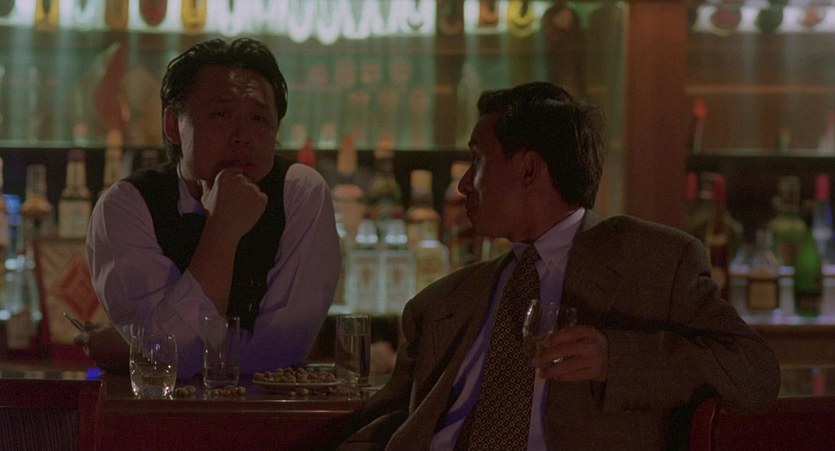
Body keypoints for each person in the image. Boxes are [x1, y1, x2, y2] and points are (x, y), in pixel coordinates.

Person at [339, 82, 780, 450]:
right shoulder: (440, 304)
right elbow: (381, 427)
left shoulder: (654, 262)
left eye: (478, 160)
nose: (463, 184)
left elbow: (755, 373)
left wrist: (615, 358)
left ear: (529, 169)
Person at [80, 38, 340, 379]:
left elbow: (280, 351)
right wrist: (223, 230)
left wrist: (136, 350)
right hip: (158, 412)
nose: (243, 136)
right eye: (221, 114)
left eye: (259, 118)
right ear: (173, 125)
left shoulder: (300, 192)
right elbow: (173, 359)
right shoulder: (126, 207)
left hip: (271, 410)